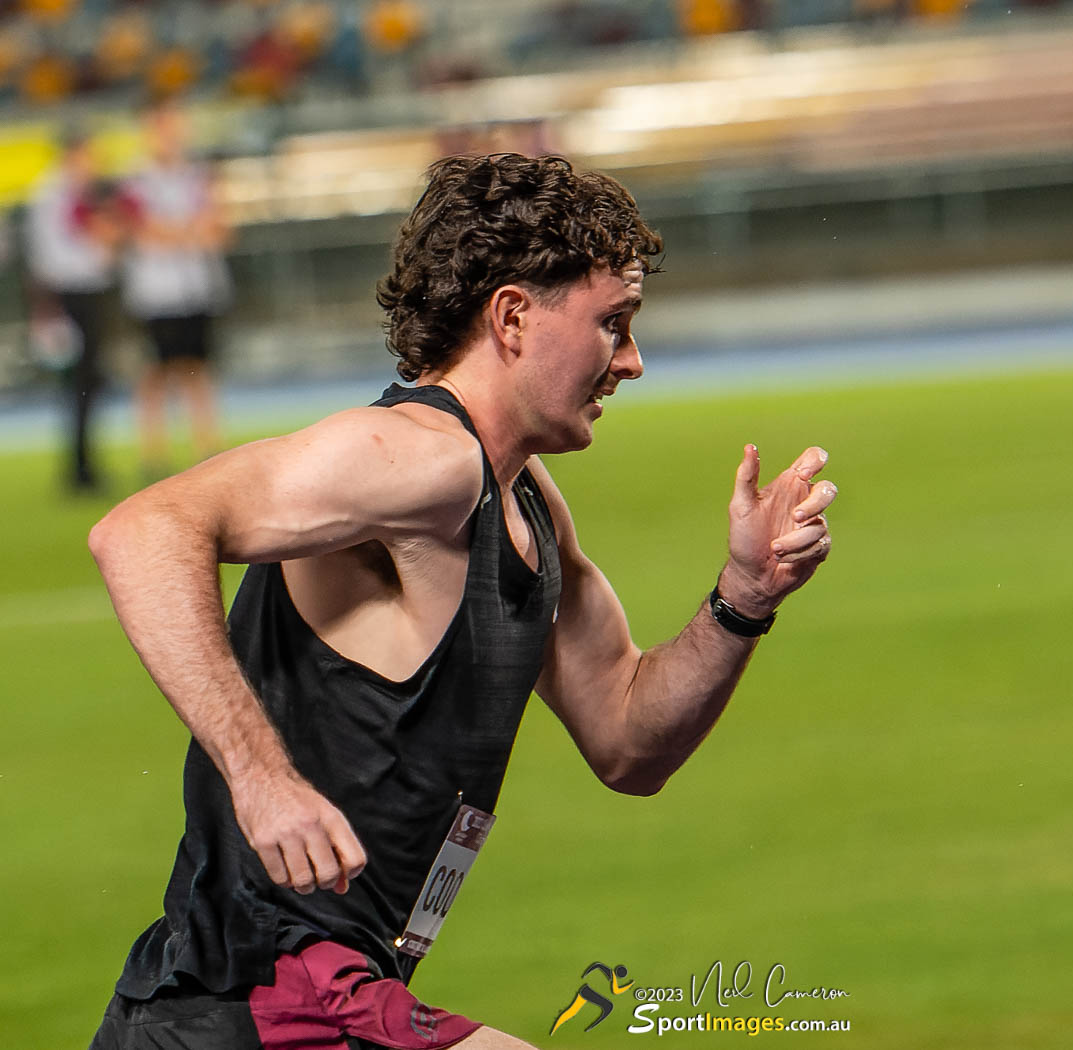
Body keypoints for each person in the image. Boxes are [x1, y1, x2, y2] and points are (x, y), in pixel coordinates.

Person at [86, 153, 836, 1049]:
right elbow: (141, 530)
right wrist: (263, 778)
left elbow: (630, 743)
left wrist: (743, 597)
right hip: (260, 995)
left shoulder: (525, 502)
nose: (632, 361)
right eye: (613, 323)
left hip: (316, 991)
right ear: (513, 316)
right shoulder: (418, 460)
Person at [120, 98, 232, 476]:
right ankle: (153, 450)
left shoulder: (196, 176)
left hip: (196, 287)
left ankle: (206, 444)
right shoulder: (136, 180)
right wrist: (189, 231)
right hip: (157, 291)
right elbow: (143, 233)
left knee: (199, 367)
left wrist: (179, 232)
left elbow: (219, 229)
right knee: (158, 370)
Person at [23, 128, 122, 492]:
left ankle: (85, 463)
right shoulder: (51, 195)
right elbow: (49, 257)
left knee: (89, 383)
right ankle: (79, 468)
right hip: (69, 294)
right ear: (73, 155)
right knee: (80, 383)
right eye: (89, 156)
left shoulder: (81, 194)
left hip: (86, 291)